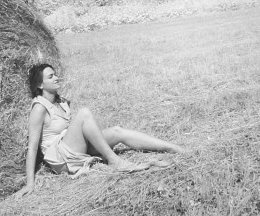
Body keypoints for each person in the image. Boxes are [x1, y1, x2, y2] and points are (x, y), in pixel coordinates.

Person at [15, 63, 183, 197]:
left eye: (55, 74)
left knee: (117, 131)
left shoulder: (61, 102)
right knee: (84, 113)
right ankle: (115, 161)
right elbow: (32, 146)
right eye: (51, 77)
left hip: (72, 147)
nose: (56, 78)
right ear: (40, 84)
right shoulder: (39, 107)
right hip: (61, 157)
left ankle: (172, 147)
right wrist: (30, 183)